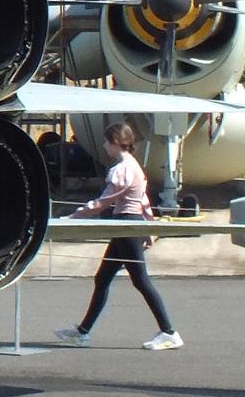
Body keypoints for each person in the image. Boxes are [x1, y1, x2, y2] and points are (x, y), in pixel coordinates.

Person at [54, 122, 183, 351]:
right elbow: (143, 201)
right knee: (103, 278)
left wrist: (74, 217)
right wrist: (149, 227)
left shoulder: (122, 170)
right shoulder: (133, 166)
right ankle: (82, 332)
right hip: (126, 226)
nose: (104, 146)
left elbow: (103, 202)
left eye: (106, 141)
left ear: (115, 142)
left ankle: (169, 332)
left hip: (126, 226)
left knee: (140, 280)